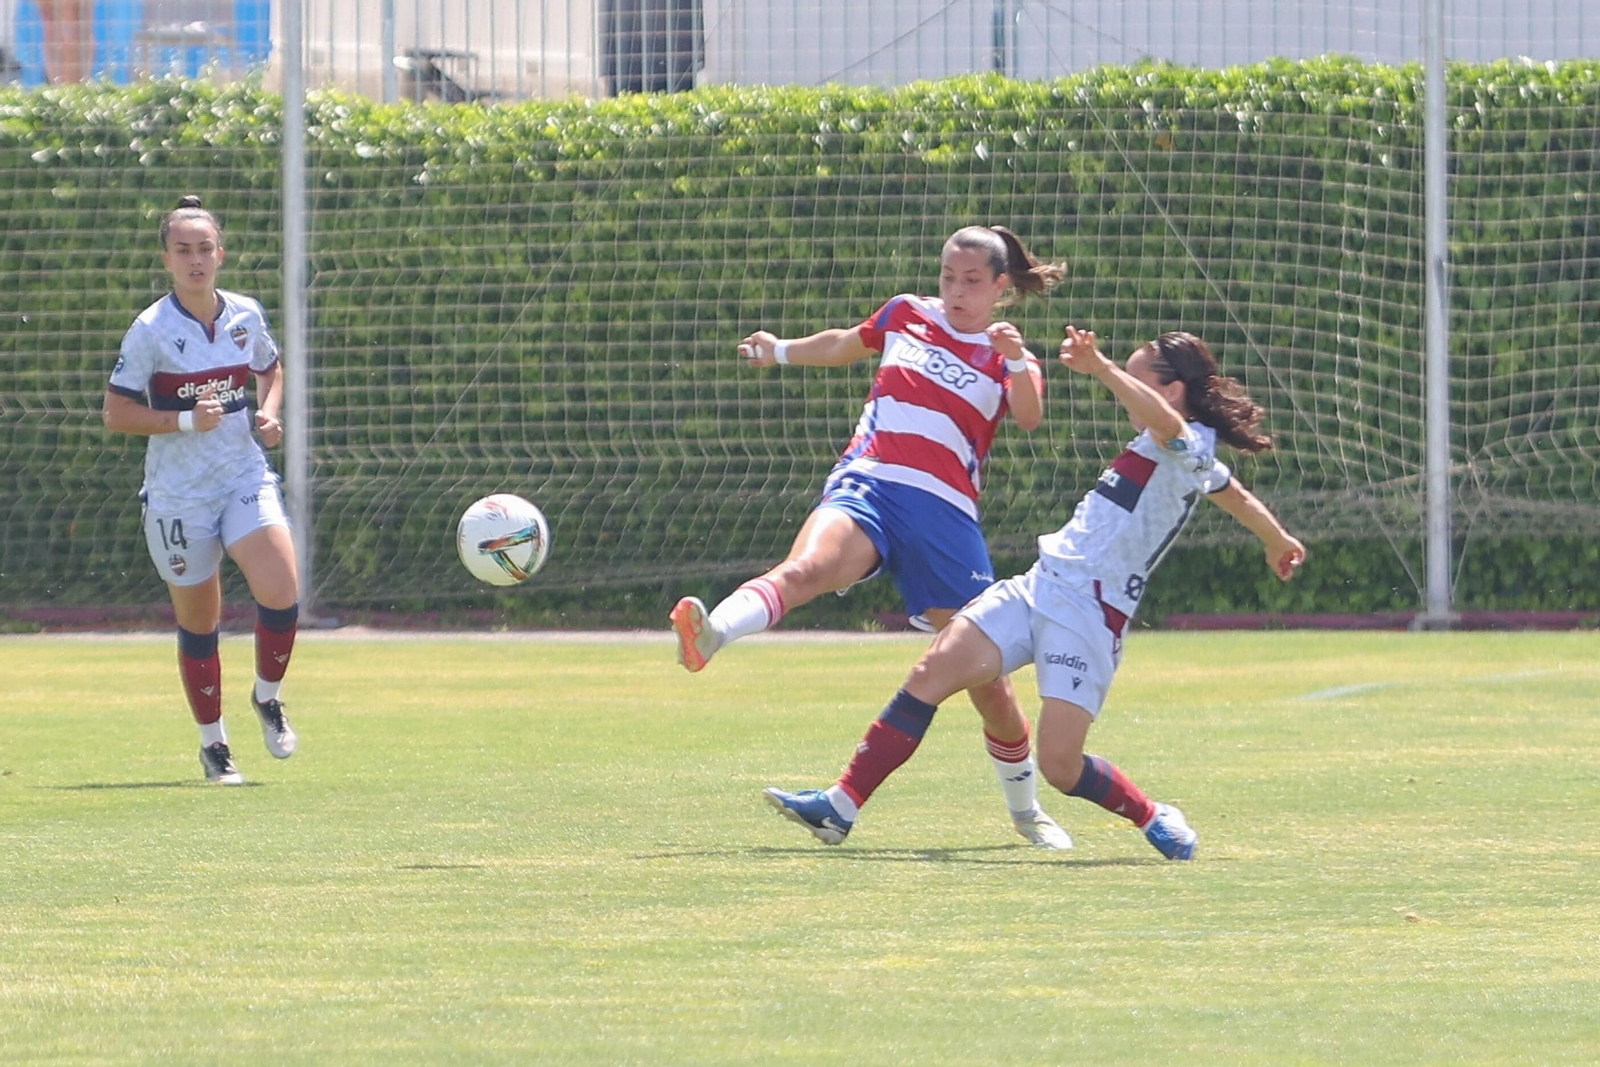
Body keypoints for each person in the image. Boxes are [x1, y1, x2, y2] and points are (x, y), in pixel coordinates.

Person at [764, 327, 1306, 859]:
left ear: (1172, 389)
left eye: (1136, 380)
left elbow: (1177, 434)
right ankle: (841, 805)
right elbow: (1231, 492)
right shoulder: (1172, 446)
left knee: (1061, 767)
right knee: (932, 671)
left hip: (1092, 611)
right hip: (1040, 584)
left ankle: (1151, 814)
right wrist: (1276, 539)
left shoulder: (1184, 439)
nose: (1125, 395)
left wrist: (1100, 367)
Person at [670, 225, 1076, 849]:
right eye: (948, 276)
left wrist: (1018, 358)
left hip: (946, 517)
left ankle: (1025, 811)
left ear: (1000, 287)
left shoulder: (1005, 356)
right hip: (869, 483)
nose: (957, 291)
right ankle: (713, 633)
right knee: (804, 570)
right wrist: (780, 350)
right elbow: (845, 343)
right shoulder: (906, 313)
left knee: (987, 684)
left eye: (972, 281)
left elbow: (1028, 415)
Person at [102, 195, 301, 785]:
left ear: (220, 255)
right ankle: (214, 744)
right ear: (166, 258)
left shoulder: (245, 314)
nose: (195, 260)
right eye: (183, 250)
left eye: (204, 249)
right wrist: (187, 420)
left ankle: (267, 696)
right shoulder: (151, 330)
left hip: (242, 475)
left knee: (281, 592)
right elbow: (116, 412)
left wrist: (268, 413)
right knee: (200, 623)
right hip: (178, 498)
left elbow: (270, 368)